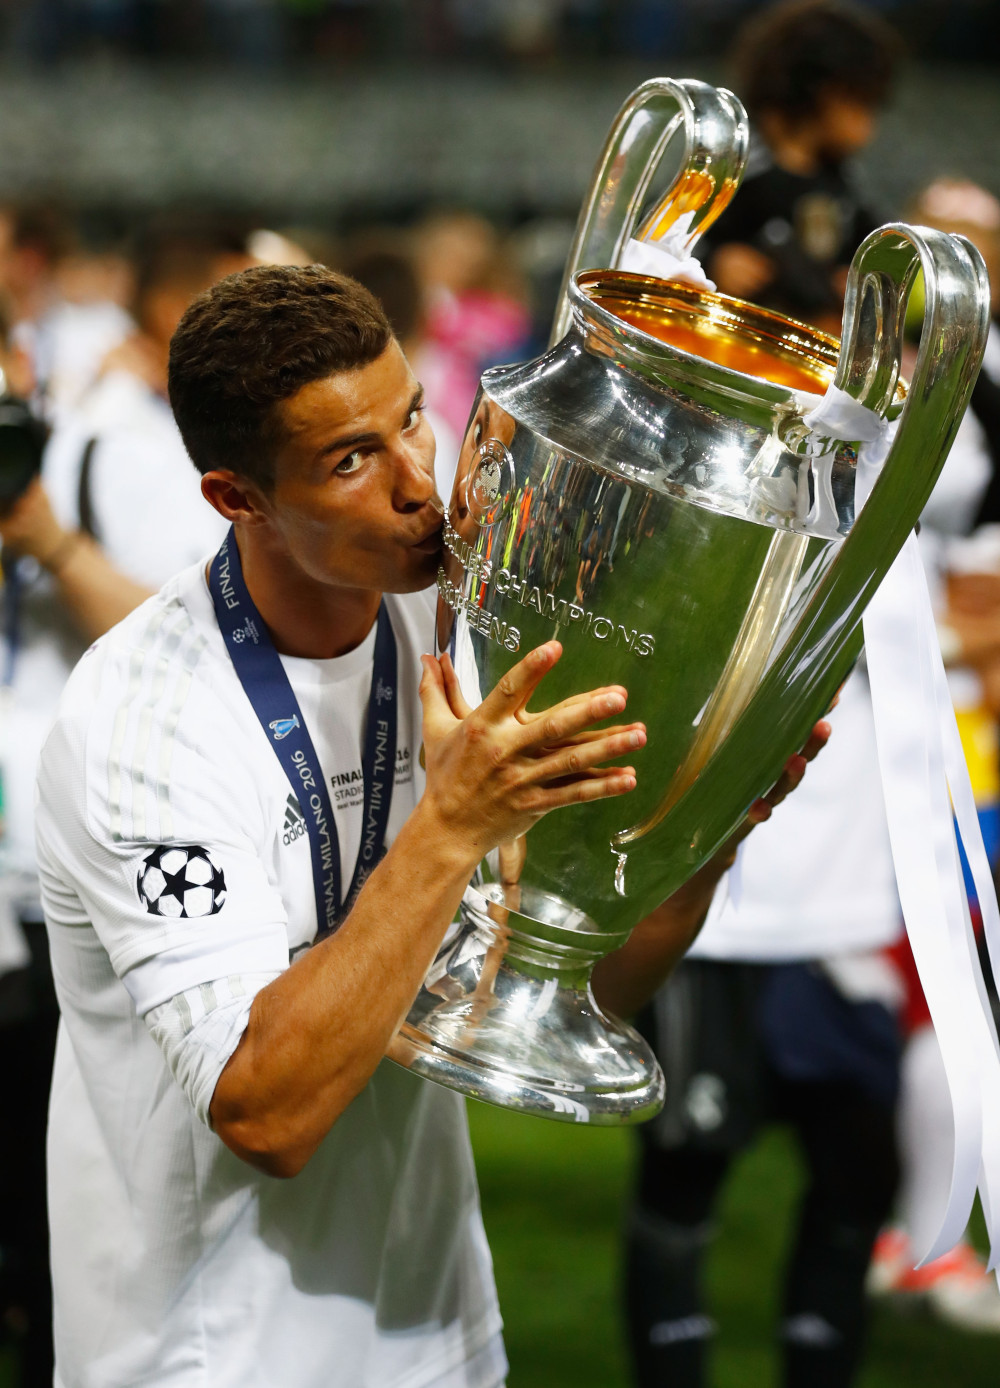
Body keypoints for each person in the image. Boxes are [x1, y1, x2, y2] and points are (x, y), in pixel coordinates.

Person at [34, 262, 826, 1388]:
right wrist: (449, 826)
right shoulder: (143, 725)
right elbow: (266, 1114)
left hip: (437, 1332)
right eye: (350, 459)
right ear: (237, 498)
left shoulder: (462, 626)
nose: (420, 481)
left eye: (413, 416)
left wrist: (700, 837)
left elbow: (582, 987)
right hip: (209, 1354)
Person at [623, 6, 904, 1387]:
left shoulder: (866, 216)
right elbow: (700, 336)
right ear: (822, 87)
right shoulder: (727, 198)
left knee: (857, 1146)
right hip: (726, 630)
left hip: (848, 796)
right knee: (691, 1137)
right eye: (861, 93)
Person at [0, 222, 239, 1386]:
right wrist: (49, 539)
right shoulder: (112, 441)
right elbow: (170, 639)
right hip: (73, 835)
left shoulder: (152, 433)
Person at [702, 0, 898, 335]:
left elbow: (871, 243)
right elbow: (670, 236)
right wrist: (715, 261)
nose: (870, 127)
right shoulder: (739, 167)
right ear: (828, 94)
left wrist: (857, 276)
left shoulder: (840, 180)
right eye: (864, 104)